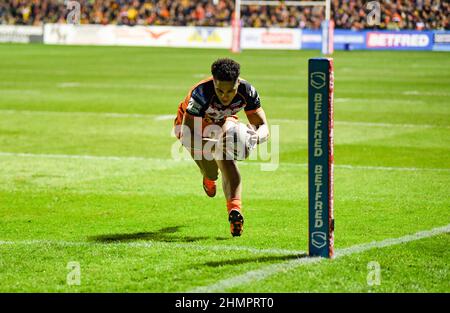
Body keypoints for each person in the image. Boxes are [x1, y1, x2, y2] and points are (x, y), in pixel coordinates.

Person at [173, 58, 269, 237]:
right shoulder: (201, 94)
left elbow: (264, 127)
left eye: (230, 91)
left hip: (224, 120)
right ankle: (208, 178)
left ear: (238, 83)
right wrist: (215, 144)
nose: (225, 96)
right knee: (211, 170)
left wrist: (256, 137)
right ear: (213, 82)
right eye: (220, 91)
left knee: (226, 158)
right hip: (193, 127)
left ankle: (235, 210)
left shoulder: (248, 91)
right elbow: (187, 135)